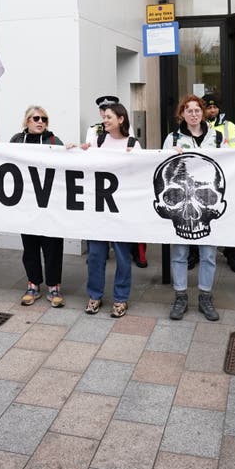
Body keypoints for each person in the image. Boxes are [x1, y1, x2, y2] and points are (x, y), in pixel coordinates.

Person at [164, 95, 225, 322]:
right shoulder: (172, 138)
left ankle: (205, 297)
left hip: (206, 202)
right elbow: (163, 169)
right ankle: (180, 296)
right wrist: (172, 155)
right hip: (180, 206)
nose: (193, 114)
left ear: (203, 112)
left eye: (197, 110)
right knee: (179, 253)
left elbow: (231, 161)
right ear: (182, 114)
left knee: (208, 253)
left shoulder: (217, 137)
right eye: (188, 110)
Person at [79, 102, 139, 318]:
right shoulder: (98, 140)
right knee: (96, 254)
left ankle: (121, 298)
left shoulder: (133, 144)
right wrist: (77, 150)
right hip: (99, 209)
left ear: (121, 119)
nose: (104, 121)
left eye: (109, 117)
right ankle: (94, 296)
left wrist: (135, 158)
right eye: (104, 117)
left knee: (123, 256)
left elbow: (139, 173)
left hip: (121, 210)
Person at [11, 105, 66, 308]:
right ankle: (33, 284)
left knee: (52, 246)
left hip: (51, 204)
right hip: (26, 203)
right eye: (36, 118)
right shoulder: (17, 140)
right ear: (27, 121)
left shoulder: (54, 140)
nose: (40, 121)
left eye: (44, 118)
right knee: (30, 246)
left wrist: (72, 150)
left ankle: (53, 286)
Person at [203, 93, 235, 273]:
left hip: (225, 178)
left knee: (228, 217)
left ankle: (231, 254)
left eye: (215, 107)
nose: (212, 110)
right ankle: (195, 254)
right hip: (203, 179)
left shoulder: (229, 126)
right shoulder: (198, 125)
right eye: (208, 107)